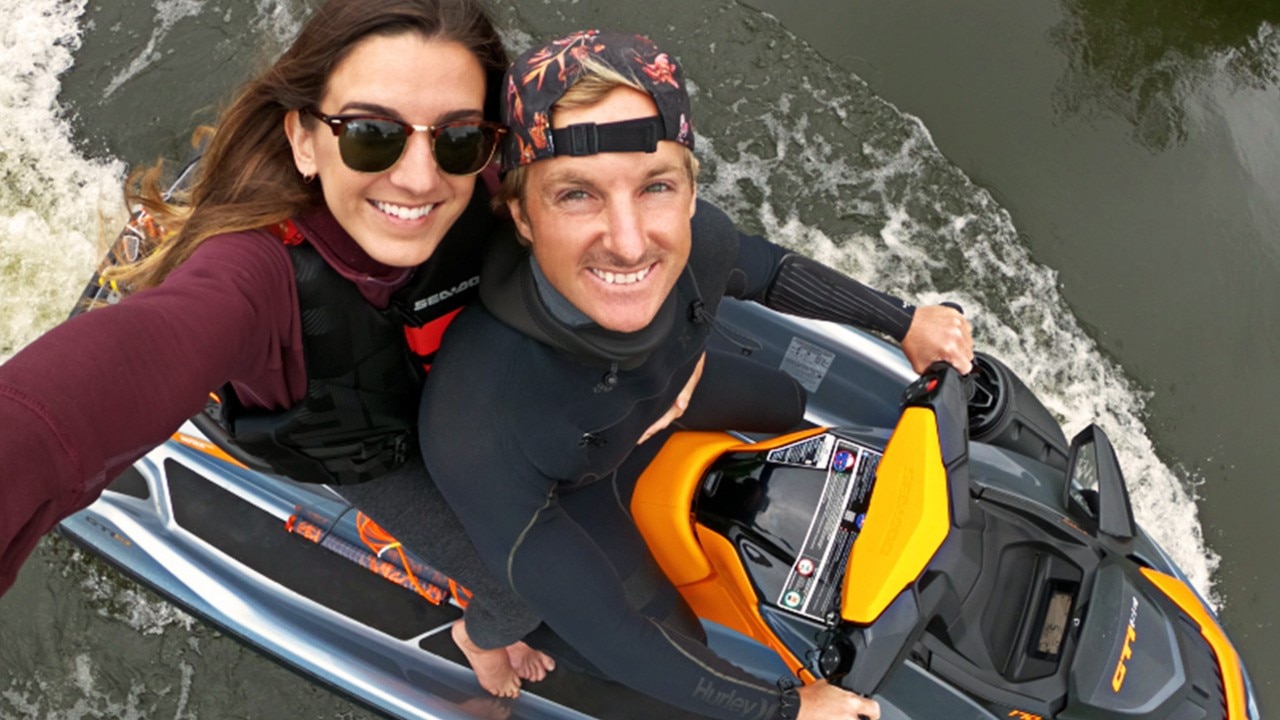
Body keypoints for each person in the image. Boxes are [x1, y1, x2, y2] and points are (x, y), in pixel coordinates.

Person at [0, 0, 556, 698]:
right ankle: (477, 638)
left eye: (457, 137)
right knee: (529, 583)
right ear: (302, 141)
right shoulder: (254, 276)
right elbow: (72, 401)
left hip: (451, 379)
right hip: (366, 446)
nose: (420, 177)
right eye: (371, 133)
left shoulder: (492, 177)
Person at [418, 30, 973, 720]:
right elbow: (616, 635)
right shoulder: (478, 421)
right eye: (576, 195)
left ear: (688, 191)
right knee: (649, 644)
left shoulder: (700, 237)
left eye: (655, 186)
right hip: (569, 481)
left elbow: (767, 270)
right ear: (522, 216)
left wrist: (904, 321)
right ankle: (479, 634)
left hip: (659, 400)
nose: (627, 241)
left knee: (789, 402)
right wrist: (789, 708)